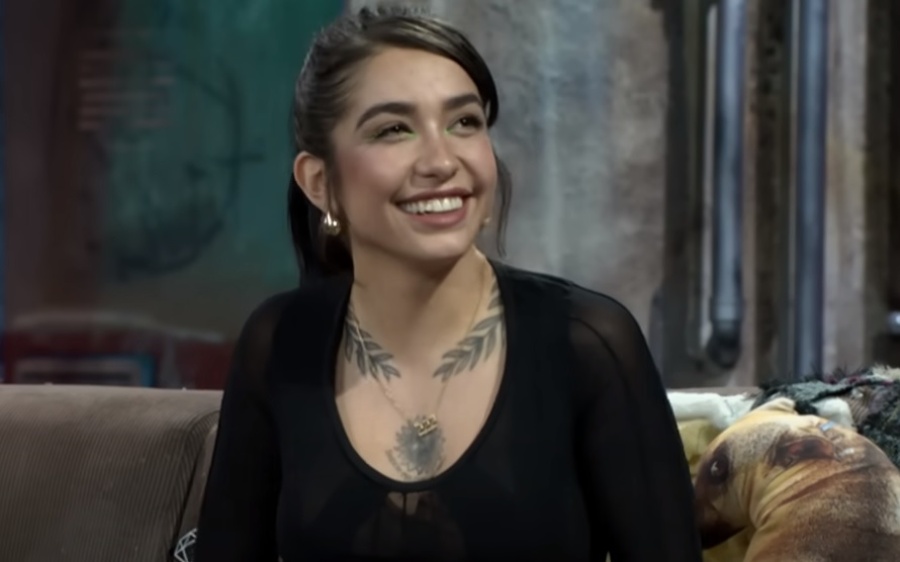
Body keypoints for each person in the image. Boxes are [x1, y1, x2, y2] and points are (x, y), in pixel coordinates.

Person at [194, 5, 702, 562]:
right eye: (394, 129)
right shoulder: (279, 343)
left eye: (464, 122)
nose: (441, 160)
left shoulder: (587, 343)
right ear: (319, 182)